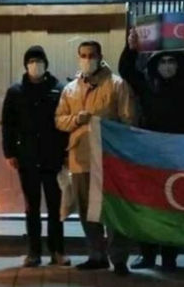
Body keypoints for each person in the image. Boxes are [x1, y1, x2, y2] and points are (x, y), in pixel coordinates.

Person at [118, 26, 184, 271]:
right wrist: (131, 48)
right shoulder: (147, 85)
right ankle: (147, 255)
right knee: (149, 206)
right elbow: (127, 71)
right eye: (163, 62)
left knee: (174, 206)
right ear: (155, 65)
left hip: (180, 156)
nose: (167, 66)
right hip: (150, 155)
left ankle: (170, 257)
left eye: (172, 61)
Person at [55, 40, 134, 276]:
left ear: (100, 56)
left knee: (113, 210)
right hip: (80, 158)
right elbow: (59, 120)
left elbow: (129, 120)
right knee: (87, 210)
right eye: (83, 55)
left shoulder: (117, 84)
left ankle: (119, 258)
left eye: (91, 55)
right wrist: (76, 120)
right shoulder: (70, 89)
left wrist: (107, 129)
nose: (87, 59)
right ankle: (96, 255)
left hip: (109, 159)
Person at [2, 46, 69, 267]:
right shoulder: (15, 92)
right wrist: (9, 152)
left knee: (55, 206)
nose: (35, 65)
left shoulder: (59, 89)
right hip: (27, 156)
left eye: (39, 61)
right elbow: (8, 125)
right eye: (31, 61)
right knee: (32, 207)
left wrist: (66, 153)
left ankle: (57, 251)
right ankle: (34, 252)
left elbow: (65, 126)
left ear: (46, 64)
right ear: (26, 65)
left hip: (53, 156)